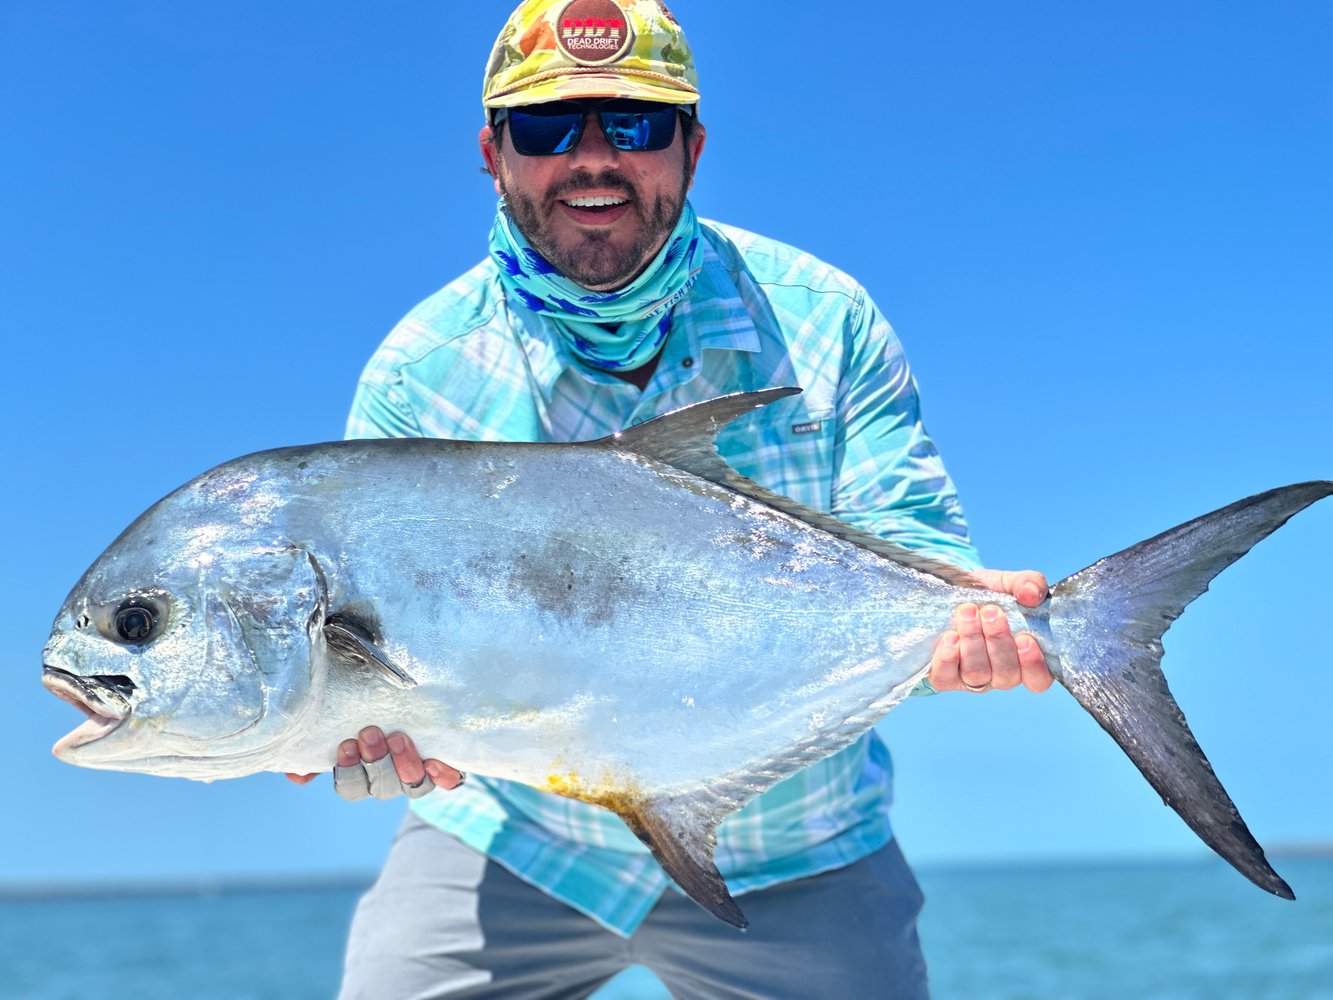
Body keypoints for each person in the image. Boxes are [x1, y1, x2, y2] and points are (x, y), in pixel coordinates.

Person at [289, 1, 1052, 996]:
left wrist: (955, 622)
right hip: (515, 838)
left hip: (798, 840)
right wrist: (351, 727)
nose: (594, 158)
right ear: (493, 152)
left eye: (637, 126)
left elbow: (909, 544)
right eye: (547, 128)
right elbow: (378, 657)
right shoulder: (415, 376)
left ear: (692, 147)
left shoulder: (823, 321)